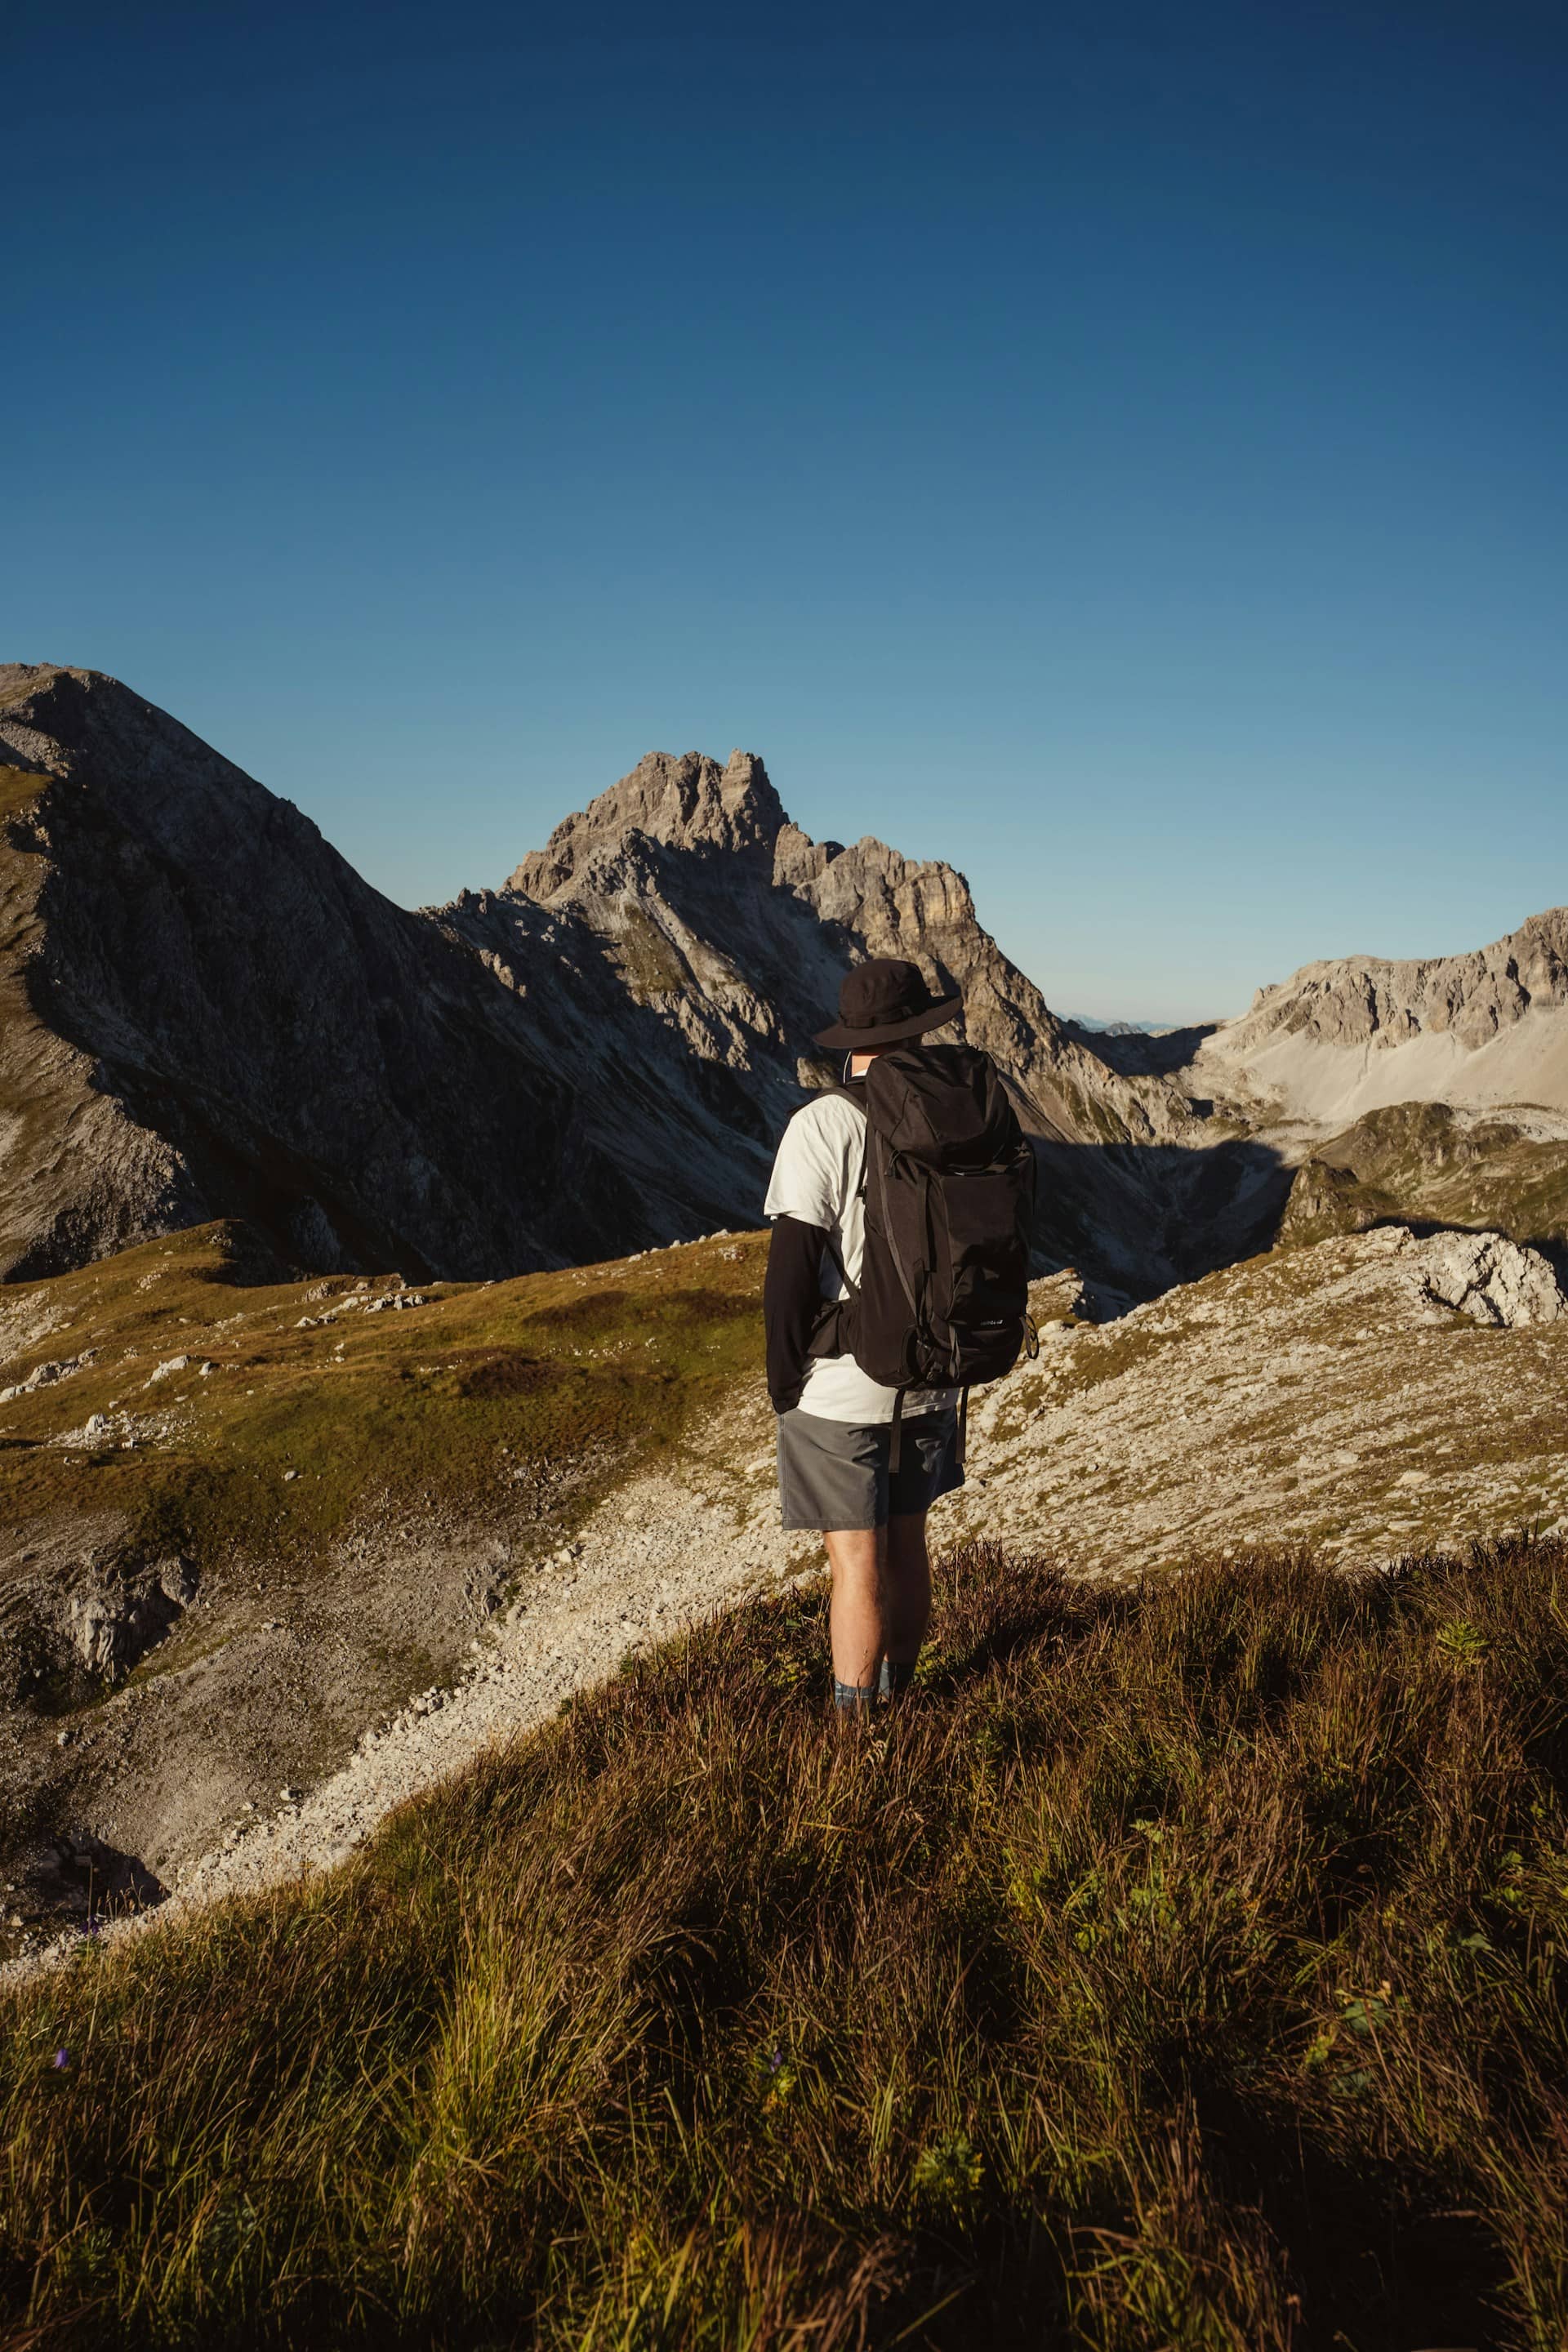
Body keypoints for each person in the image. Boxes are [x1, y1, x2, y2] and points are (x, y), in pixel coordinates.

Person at [764, 958, 966, 1720]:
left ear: (852, 1042)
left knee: (855, 1562)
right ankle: (904, 1705)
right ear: (919, 1031)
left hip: (847, 1386)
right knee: (908, 1544)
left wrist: (785, 1380)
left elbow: (791, 1272)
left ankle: (855, 1738)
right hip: (936, 1374)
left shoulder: (824, 1123)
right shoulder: (956, 1112)